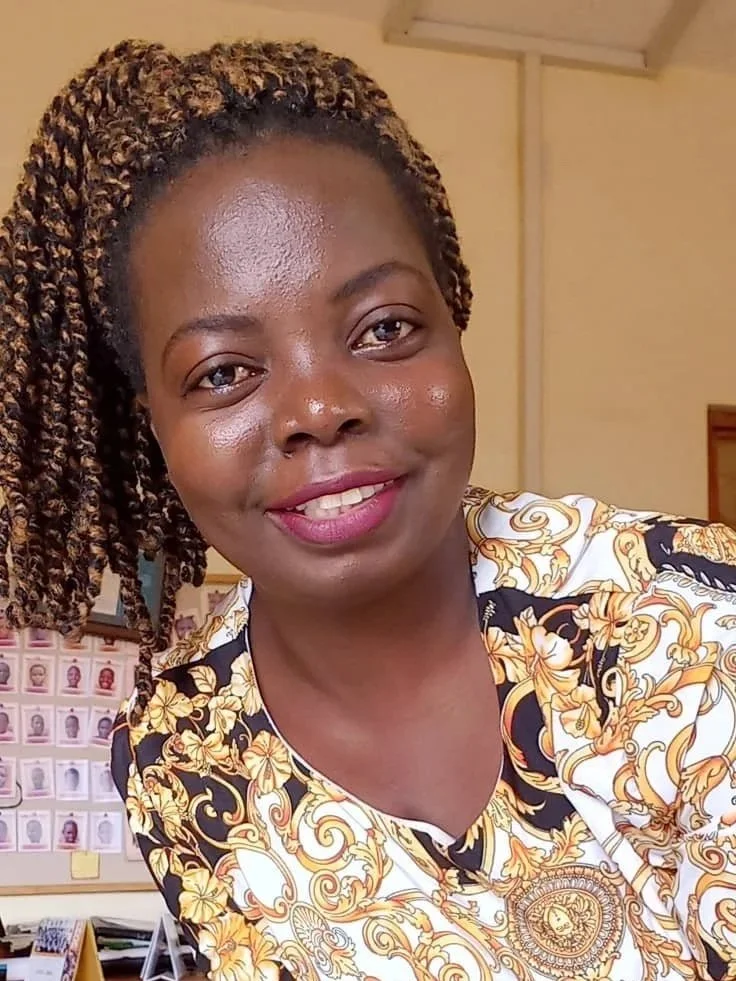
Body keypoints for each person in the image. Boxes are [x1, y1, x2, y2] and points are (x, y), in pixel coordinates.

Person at [0, 38, 734, 981]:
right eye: (224, 372)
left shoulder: (684, 626)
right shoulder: (180, 758)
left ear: (452, 318)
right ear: (155, 427)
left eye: (383, 328)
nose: (318, 409)